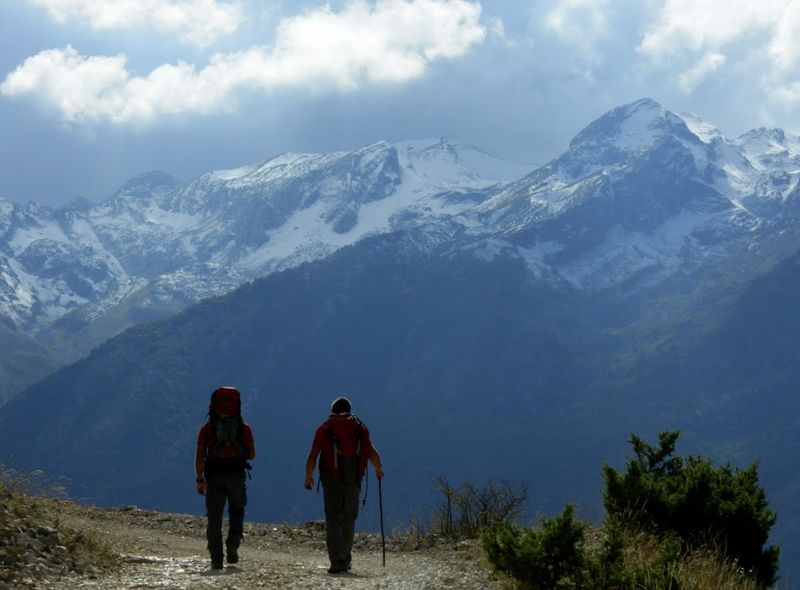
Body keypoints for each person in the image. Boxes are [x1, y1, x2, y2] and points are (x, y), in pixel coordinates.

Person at [304, 396, 384, 574]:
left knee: (332, 519)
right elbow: (371, 452)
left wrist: (309, 476)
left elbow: (313, 455)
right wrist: (378, 470)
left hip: (330, 481)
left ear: (332, 410)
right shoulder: (359, 428)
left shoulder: (324, 429)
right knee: (349, 519)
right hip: (352, 480)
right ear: (349, 409)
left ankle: (336, 561)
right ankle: (345, 557)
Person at [195, 386, 256, 570]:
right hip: (236, 476)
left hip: (214, 476)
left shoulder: (207, 429)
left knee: (214, 518)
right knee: (237, 511)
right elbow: (252, 455)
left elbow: (199, 455)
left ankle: (216, 558)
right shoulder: (244, 428)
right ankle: (233, 544)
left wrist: (199, 478)